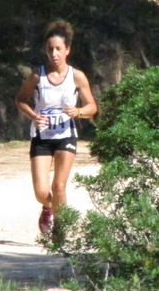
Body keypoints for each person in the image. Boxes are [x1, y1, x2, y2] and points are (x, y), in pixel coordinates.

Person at [15, 21, 97, 233]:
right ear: (45, 50)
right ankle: (48, 208)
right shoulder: (37, 76)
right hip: (42, 137)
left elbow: (92, 107)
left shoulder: (76, 76)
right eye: (50, 49)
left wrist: (78, 112)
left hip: (65, 136)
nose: (54, 53)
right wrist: (34, 115)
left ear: (67, 50)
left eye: (58, 49)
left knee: (58, 186)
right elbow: (21, 100)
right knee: (42, 192)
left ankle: (60, 230)